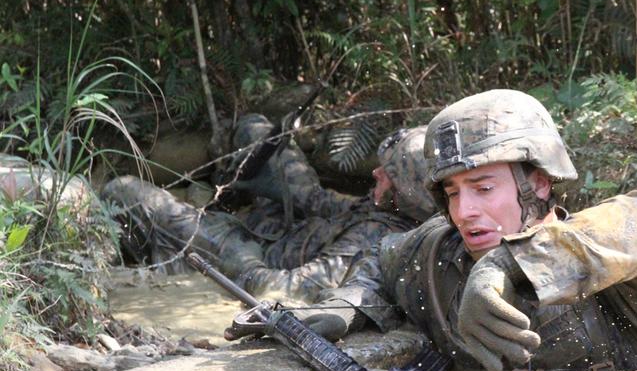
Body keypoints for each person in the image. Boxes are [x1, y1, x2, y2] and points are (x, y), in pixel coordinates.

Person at [300, 89, 637, 371]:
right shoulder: (437, 251)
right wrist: (348, 304)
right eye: (453, 192)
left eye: (483, 188)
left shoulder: (608, 263)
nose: (464, 211)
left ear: (539, 184)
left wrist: (508, 264)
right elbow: (380, 260)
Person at [102, 114, 435, 304]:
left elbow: (284, 290)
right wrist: (293, 193)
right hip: (281, 224)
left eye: (388, 173)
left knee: (124, 191)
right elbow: (331, 207)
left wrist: (241, 257)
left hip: (249, 249)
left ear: (408, 190)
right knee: (259, 130)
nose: (375, 173)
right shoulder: (388, 207)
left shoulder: (372, 243)